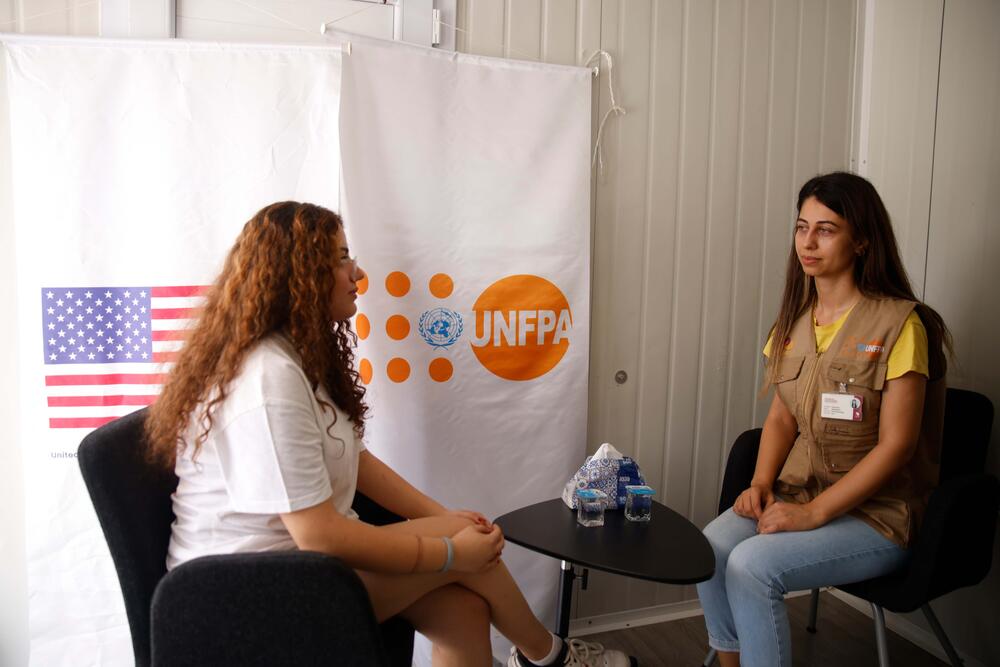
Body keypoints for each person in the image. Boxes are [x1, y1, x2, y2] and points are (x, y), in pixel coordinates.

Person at [145, 201, 634, 667]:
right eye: (341, 259)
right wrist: (449, 550)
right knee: (468, 550)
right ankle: (548, 656)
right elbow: (317, 536)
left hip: (299, 568)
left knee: (463, 612)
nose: (357, 273)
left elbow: (354, 461)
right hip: (247, 595)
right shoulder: (268, 379)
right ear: (302, 278)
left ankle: (542, 655)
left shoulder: (294, 358)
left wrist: (441, 516)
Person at [696, 172, 950, 667]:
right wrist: (761, 483)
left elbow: (897, 446)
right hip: (800, 493)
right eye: (801, 227)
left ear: (861, 241)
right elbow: (781, 420)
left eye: (826, 230)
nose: (807, 243)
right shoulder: (794, 320)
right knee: (713, 545)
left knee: (752, 567)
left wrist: (813, 515)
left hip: (878, 517)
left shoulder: (903, 324)